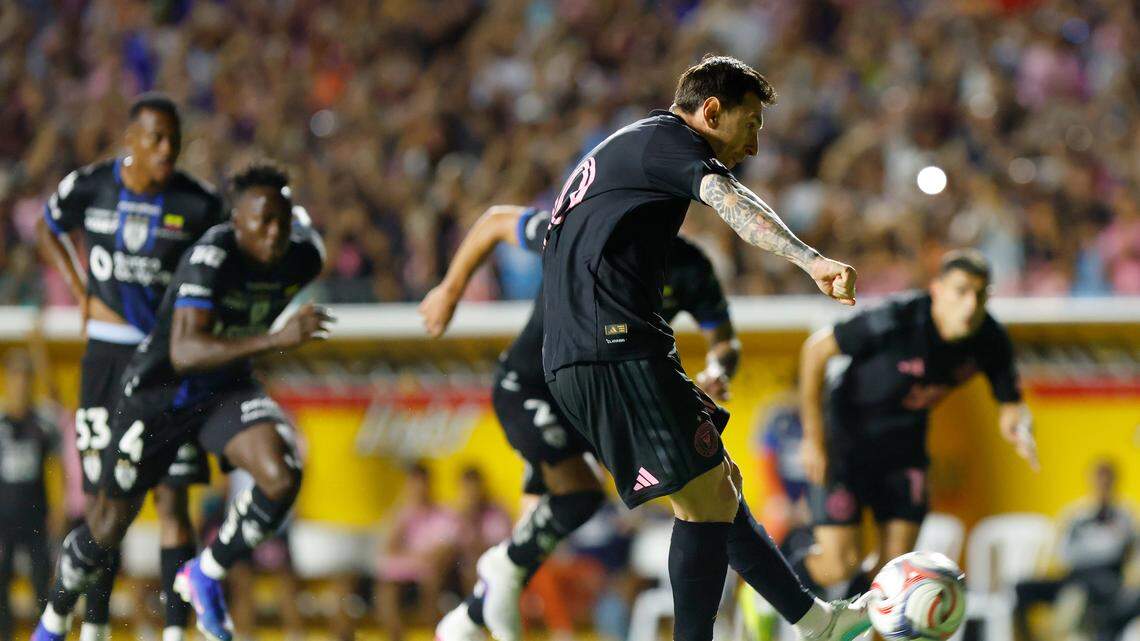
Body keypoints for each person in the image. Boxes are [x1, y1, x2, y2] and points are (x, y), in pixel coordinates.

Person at [539, 54, 863, 641]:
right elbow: (733, 203)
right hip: (614, 350)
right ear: (711, 111)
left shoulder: (630, 149)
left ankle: (816, 621)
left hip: (585, 354)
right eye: (752, 125)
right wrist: (810, 260)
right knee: (705, 503)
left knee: (719, 486)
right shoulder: (668, 143)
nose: (756, 147)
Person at [30, 162, 332, 641]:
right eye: (263, 223)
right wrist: (274, 338)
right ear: (237, 224)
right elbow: (186, 351)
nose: (276, 233)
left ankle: (207, 573)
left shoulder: (305, 256)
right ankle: (55, 615)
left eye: (282, 219)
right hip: (160, 393)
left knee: (282, 474)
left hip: (222, 391)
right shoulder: (211, 255)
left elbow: (305, 239)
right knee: (107, 525)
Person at [420, 201, 742, 641]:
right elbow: (495, 221)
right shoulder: (582, 233)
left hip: (599, 398)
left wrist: (718, 370)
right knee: (578, 498)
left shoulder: (689, 267)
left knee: (552, 525)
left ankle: (469, 618)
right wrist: (450, 290)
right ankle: (486, 599)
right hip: (534, 386)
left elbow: (725, 340)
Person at [37, 93, 224, 641]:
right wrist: (78, 288)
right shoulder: (90, 186)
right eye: (156, 139)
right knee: (101, 503)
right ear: (132, 141)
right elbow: (47, 228)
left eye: (174, 140)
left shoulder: (198, 205)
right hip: (106, 357)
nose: (167, 150)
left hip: (166, 364)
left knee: (172, 498)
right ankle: (92, 626)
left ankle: (173, 632)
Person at [796, 249, 1039, 599]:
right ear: (937, 290)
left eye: (981, 294)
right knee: (840, 563)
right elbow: (815, 350)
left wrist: (1020, 429)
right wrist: (813, 438)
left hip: (904, 453)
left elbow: (1012, 404)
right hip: (845, 445)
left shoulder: (990, 339)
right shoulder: (897, 319)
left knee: (894, 574)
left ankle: (849, 625)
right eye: (961, 291)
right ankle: (765, 588)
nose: (971, 305)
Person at [1013, 460, 1135, 641]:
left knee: (1078, 593)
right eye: (1098, 480)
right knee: (1021, 587)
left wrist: (1093, 550)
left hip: (1104, 580)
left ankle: (1061, 633)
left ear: (1114, 482)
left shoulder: (1124, 514)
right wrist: (1100, 548)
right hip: (1073, 575)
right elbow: (1063, 553)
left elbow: (1121, 552)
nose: (1102, 485)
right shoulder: (1076, 514)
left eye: (1106, 481)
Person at [0, 334, 62, 641]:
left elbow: (57, 468)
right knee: (1, 586)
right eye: (15, 376)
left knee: (41, 585)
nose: (21, 384)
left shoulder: (43, 423)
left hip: (36, 516)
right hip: (4, 520)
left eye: (26, 377)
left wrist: (60, 509)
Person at [374, 462, 460, 641]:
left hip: (434, 577)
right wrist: (402, 516)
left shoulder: (444, 514)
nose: (418, 490)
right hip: (408, 576)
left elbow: (441, 554)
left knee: (432, 583)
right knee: (386, 593)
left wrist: (410, 556)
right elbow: (388, 549)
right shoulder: (402, 514)